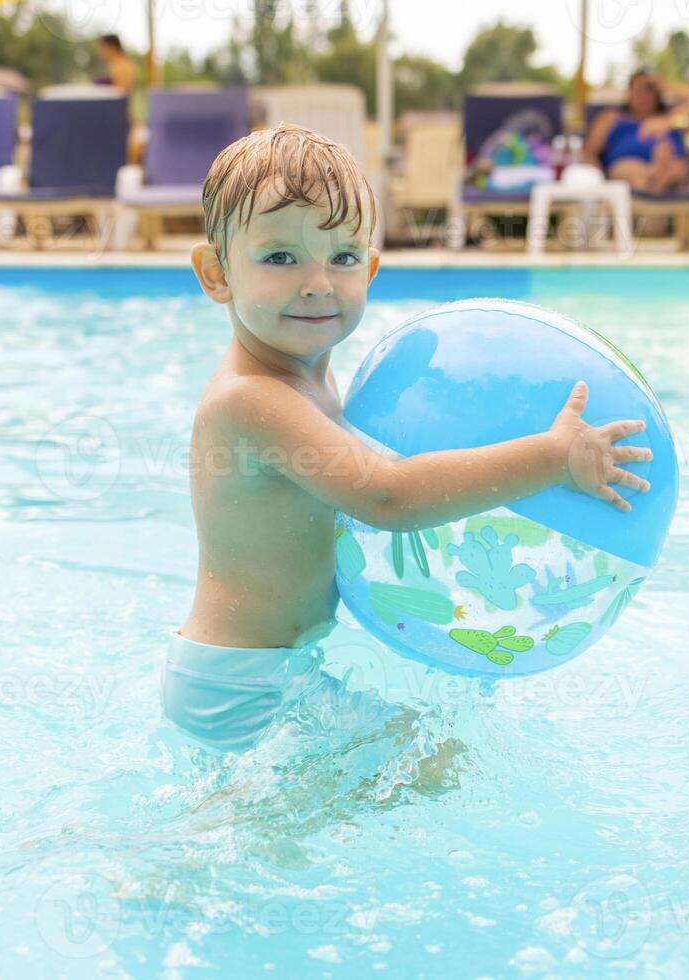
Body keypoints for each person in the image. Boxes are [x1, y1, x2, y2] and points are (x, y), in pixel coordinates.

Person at [164, 124, 653, 752]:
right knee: (427, 763)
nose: (317, 282)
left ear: (369, 269)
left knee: (420, 757)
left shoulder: (306, 374)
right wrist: (551, 457)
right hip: (238, 686)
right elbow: (388, 497)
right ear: (216, 273)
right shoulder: (250, 399)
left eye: (341, 258)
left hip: (278, 670)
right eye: (280, 257)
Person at [583, 71, 689, 193]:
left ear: (658, 94)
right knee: (636, 172)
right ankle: (657, 175)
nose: (643, 95)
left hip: (673, 167)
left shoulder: (672, 118)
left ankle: (657, 176)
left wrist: (666, 86)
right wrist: (599, 179)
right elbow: (588, 153)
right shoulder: (611, 117)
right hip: (627, 166)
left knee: (676, 168)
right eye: (638, 89)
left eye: (649, 89)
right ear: (629, 92)